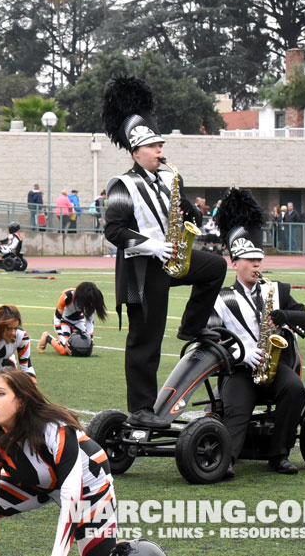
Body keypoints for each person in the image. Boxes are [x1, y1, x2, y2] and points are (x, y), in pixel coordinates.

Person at [101, 76, 226, 428]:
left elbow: (184, 210)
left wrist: (191, 212)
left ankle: (192, 326)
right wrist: (155, 245)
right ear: (136, 151)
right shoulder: (121, 184)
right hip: (144, 269)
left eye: (160, 145)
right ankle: (141, 408)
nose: (160, 151)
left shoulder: (168, 178)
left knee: (215, 267)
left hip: (172, 259)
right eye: (154, 146)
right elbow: (113, 231)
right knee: (146, 339)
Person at [209, 188, 305, 477]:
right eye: (250, 260)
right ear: (235, 263)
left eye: (259, 259)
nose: (257, 264)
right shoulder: (220, 298)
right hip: (239, 370)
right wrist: (242, 354)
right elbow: (209, 338)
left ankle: (278, 454)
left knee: (294, 388)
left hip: (274, 366)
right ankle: (225, 460)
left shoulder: (277, 290)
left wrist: (284, 315)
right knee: (238, 409)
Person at [0, 368, 117, 556]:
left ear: (22, 399)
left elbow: (71, 499)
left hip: (88, 486)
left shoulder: (56, 429)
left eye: (0, 393)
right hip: (38, 485)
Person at [38, 282, 107, 357]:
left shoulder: (90, 299)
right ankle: (47, 337)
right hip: (63, 321)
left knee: (84, 349)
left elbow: (89, 321)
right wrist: (63, 340)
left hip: (79, 322)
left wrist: (90, 340)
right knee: (64, 350)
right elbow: (57, 319)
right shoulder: (67, 296)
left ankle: (71, 334)